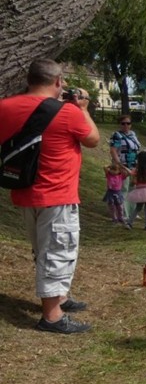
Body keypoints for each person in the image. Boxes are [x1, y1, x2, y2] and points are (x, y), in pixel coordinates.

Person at [0, 59, 100, 333]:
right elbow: (93, 139)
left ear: (29, 80)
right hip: (57, 194)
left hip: (24, 190)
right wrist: (83, 109)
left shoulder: (5, 107)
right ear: (57, 82)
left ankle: (60, 298)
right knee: (58, 250)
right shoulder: (67, 112)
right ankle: (52, 316)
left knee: (43, 249)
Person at [109, 113, 142, 220]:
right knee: (123, 188)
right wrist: (119, 165)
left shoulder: (133, 134)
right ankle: (122, 213)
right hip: (122, 165)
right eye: (123, 123)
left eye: (128, 123)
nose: (126, 126)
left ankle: (132, 211)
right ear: (120, 124)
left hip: (134, 165)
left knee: (133, 188)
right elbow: (113, 151)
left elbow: (137, 149)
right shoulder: (117, 135)